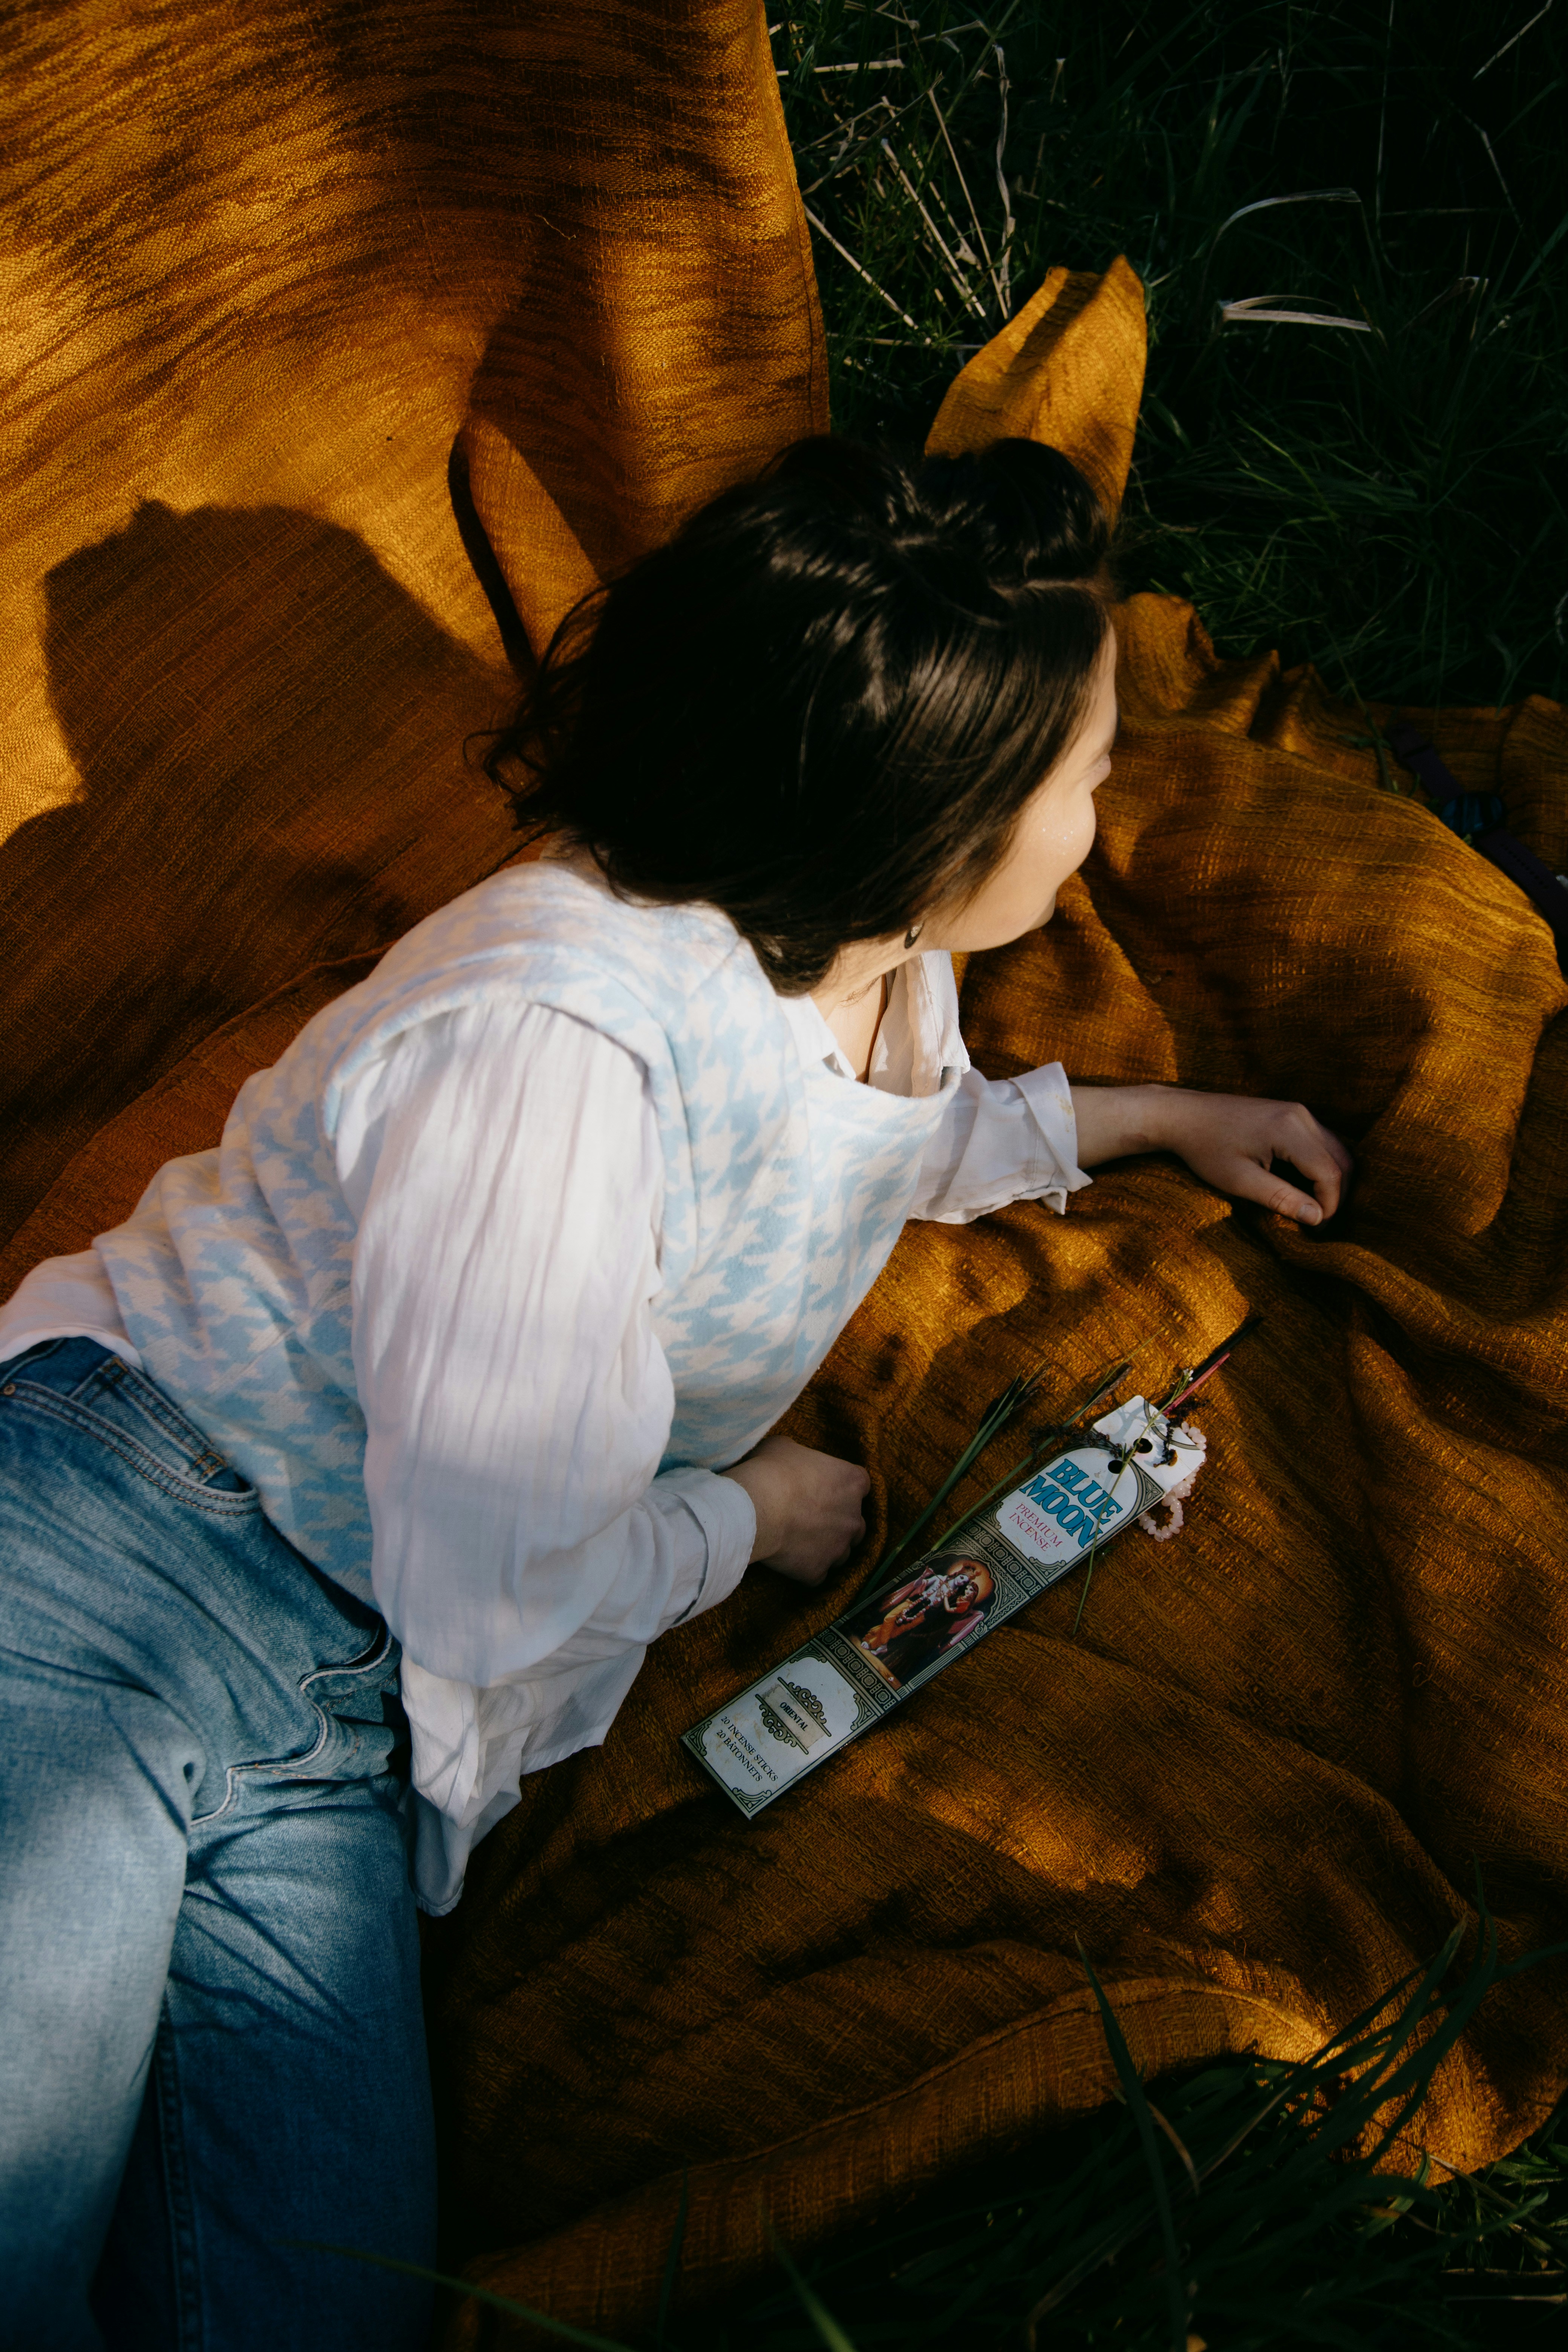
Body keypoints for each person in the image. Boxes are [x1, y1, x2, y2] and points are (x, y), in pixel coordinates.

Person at [0, 431, 1353, 2348]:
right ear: (933, 827)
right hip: (115, 1550)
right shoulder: (556, 1054)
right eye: (1085, 772)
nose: (1104, 802)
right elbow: (495, 1580)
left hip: (340, 1707)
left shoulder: (868, 958)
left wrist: (1137, 1120)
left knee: (324, 2316)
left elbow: (863, 1145)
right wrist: (745, 1517)